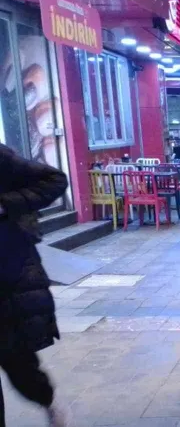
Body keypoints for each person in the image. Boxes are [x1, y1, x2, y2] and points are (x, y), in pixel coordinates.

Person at [0, 144, 68, 426]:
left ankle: (47, 399)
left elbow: (54, 179)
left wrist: (6, 204)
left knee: (18, 362)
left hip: (6, 274)